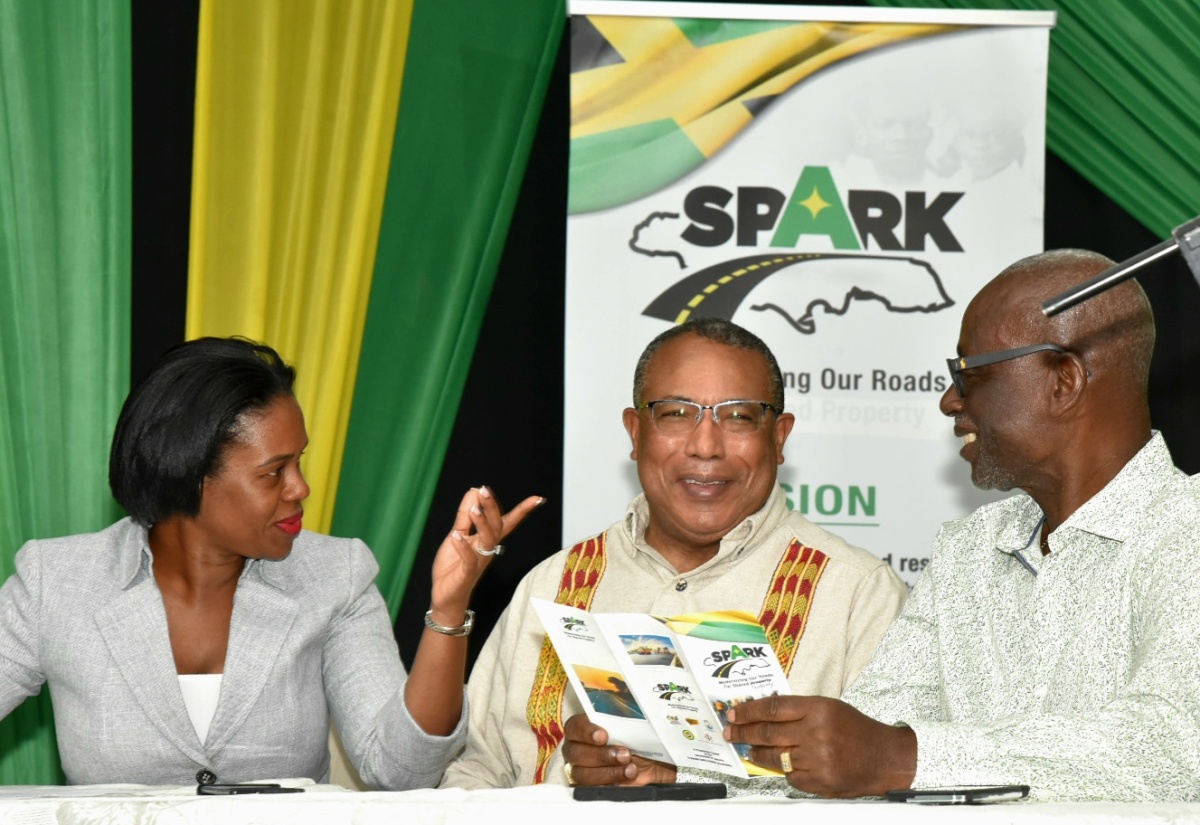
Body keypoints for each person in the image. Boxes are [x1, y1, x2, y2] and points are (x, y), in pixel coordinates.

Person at [723, 249, 1200, 801]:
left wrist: (906, 758)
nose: (950, 400)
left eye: (968, 373)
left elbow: (1175, 743)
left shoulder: (1186, 531)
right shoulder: (968, 550)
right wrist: (681, 776)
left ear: (1064, 380)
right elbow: (864, 736)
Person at [0, 337, 541, 788]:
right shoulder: (59, 582)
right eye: (273, 471)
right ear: (188, 474)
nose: (300, 488)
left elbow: (400, 770)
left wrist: (448, 611)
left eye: (299, 461)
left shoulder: (334, 575)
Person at [441, 317, 907, 789]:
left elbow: (887, 796)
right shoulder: (551, 587)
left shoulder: (857, 596)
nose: (705, 446)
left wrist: (689, 778)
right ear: (635, 431)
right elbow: (476, 772)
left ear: (779, 436)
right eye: (676, 414)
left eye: (739, 415)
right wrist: (568, 774)